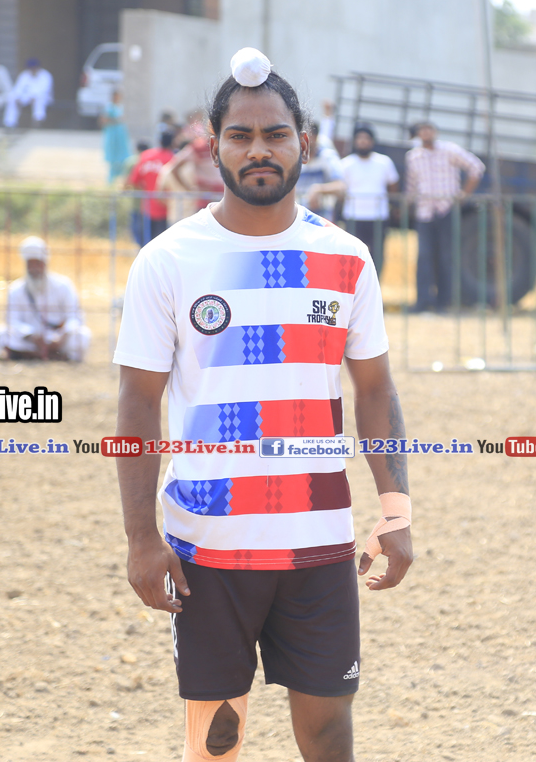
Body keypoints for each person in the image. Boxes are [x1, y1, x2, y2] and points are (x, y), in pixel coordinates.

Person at [113, 47, 413, 762]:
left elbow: (375, 390)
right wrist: (141, 538)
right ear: (213, 146)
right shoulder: (168, 260)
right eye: (240, 135)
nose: (258, 150)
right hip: (207, 547)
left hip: (319, 542)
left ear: (302, 143)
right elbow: (138, 404)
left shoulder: (346, 257)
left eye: (275, 134)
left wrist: (397, 510)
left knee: (330, 733)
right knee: (217, 740)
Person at [404, 121, 484, 312]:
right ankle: (423, 301)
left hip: (447, 209)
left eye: (428, 130)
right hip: (424, 211)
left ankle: (444, 302)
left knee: (446, 257)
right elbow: (412, 185)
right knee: (424, 257)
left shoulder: (449, 150)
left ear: (435, 132)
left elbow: (476, 167)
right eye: (422, 131)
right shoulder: (413, 156)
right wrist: (406, 204)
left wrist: (464, 194)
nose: (426, 133)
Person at [0, 236, 90, 361]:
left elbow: (75, 317)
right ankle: (47, 355)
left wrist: (61, 337)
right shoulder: (16, 289)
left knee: (82, 335)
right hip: (30, 339)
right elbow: (12, 320)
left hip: (58, 338)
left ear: (45, 263)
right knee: (1, 333)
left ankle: (33, 355)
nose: (34, 268)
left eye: (38, 263)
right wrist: (32, 336)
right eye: (31, 264)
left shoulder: (63, 285)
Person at [335, 124, 398, 274]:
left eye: (366, 138)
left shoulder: (384, 162)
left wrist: (394, 207)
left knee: (377, 256)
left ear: (372, 141)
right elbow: (340, 189)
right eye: (359, 138)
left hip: (378, 217)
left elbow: (393, 186)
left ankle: (375, 285)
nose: (363, 142)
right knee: (352, 255)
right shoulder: (346, 163)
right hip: (353, 216)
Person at [128, 132, 176, 246]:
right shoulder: (173, 159)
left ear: (159, 141)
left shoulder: (146, 156)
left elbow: (134, 181)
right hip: (166, 209)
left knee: (145, 245)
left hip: (147, 208)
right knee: (163, 245)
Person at [296, 119, 344, 221]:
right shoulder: (295, 159)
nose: (303, 141)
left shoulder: (327, 157)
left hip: (322, 219)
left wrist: (318, 189)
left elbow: (340, 187)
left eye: (307, 136)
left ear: (316, 136)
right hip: (298, 218)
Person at [4, 58, 54, 129]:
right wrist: (18, 97)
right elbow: (18, 88)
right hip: (27, 97)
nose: (32, 70)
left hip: (43, 98)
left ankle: (38, 121)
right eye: (31, 68)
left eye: (34, 68)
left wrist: (33, 97)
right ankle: (10, 123)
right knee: (12, 97)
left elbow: (45, 90)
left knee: (39, 98)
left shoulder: (45, 75)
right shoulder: (24, 75)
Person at [102, 89, 132, 183]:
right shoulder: (109, 107)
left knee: (123, 159)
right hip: (113, 136)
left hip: (120, 136)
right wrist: (116, 120)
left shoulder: (120, 107)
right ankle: (111, 180)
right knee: (114, 160)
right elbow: (103, 120)